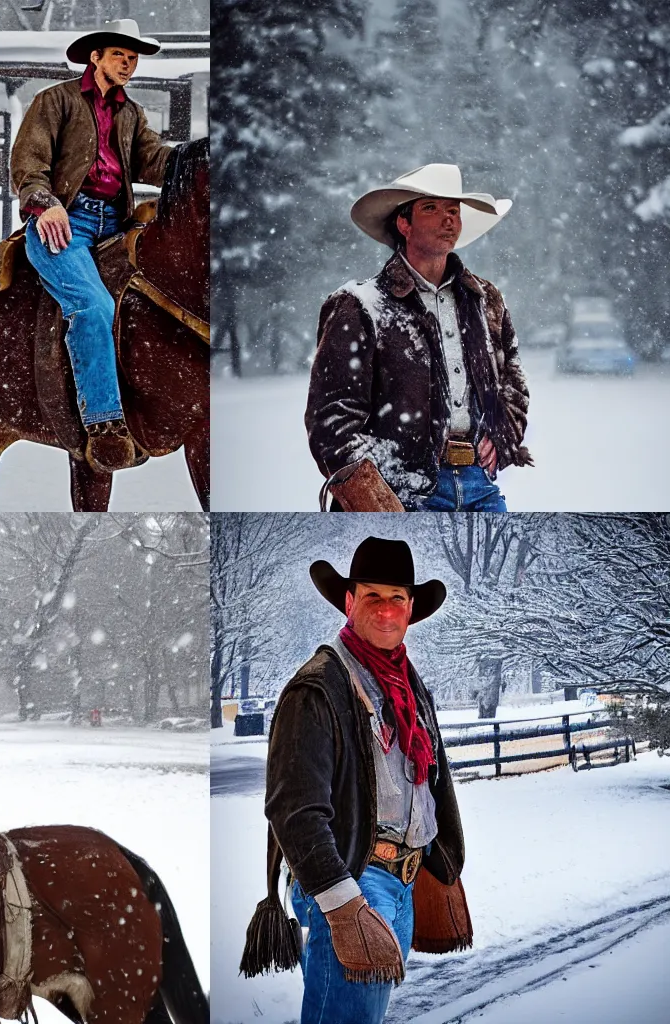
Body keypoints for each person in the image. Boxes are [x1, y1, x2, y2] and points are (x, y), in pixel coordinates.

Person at [243, 536, 468, 1023]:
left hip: (401, 882)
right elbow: (294, 810)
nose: (386, 611)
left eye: (397, 600)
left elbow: (427, 782)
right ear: (349, 601)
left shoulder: (407, 682)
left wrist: (439, 855)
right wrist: (344, 906)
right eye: (372, 597)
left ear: (411, 610)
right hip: (353, 884)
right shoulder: (318, 687)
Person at [306, 164, 532, 510]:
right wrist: (378, 490)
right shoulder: (359, 306)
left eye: (454, 211)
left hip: (480, 485)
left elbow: (513, 380)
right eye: (432, 208)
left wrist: (504, 434)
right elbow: (333, 419)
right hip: (402, 493)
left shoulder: (486, 299)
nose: (448, 220)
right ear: (403, 224)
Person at [11, 18, 175, 474]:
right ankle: (103, 426)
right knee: (94, 308)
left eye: (134, 56)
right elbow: (28, 164)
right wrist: (46, 205)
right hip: (64, 223)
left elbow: (154, 160)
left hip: (115, 225)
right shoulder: (55, 101)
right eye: (120, 54)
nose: (129, 62)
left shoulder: (131, 114)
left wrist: (198, 158)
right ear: (95, 56)